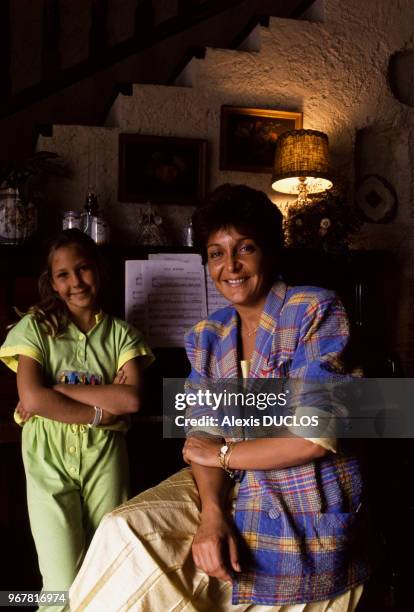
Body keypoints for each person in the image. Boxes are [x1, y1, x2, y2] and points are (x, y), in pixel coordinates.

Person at [69, 185, 370, 611]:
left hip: (302, 495)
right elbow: (201, 436)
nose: (230, 266)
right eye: (216, 253)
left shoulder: (312, 310)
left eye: (244, 248)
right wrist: (211, 513)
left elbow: (311, 437)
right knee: (124, 530)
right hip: (230, 487)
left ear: (268, 251)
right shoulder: (207, 335)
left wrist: (224, 453)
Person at [0, 229, 154, 608]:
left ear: (97, 270)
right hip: (48, 458)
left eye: (83, 269)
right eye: (63, 275)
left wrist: (61, 391)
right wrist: (102, 410)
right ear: (51, 282)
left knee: (108, 568)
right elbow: (32, 397)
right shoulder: (35, 327)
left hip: (105, 457)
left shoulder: (122, 334)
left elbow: (132, 399)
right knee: (60, 582)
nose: (75, 282)